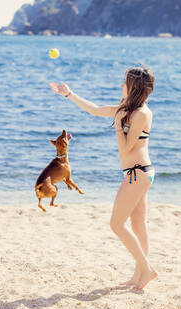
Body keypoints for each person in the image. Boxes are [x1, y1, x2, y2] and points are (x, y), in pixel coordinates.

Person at [49, 67, 158, 289]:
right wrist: (69, 94)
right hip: (136, 173)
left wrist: (118, 123)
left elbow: (127, 147)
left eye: (124, 82)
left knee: (116, 224)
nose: (121, 86)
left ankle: (146, 270)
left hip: (138, 172)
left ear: (134, 87)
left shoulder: (141, 114)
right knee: (138, 224)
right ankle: (139, 275)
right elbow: (96, 110)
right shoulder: (127, 109)